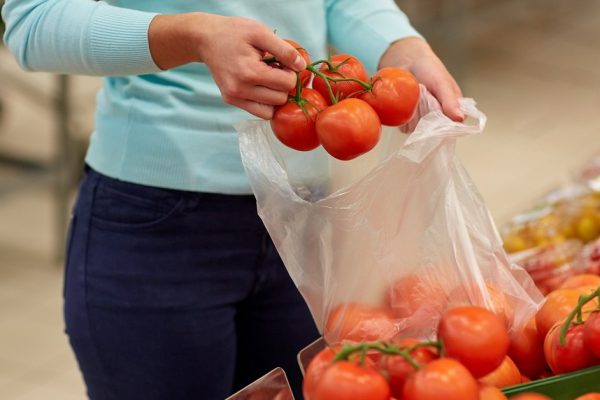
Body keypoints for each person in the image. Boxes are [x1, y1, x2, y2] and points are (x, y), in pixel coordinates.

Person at [2, 1, 463, 399]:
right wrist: (191, 34)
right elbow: (34, 21)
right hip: (158, 224)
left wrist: (401, 47)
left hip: (299, 221)